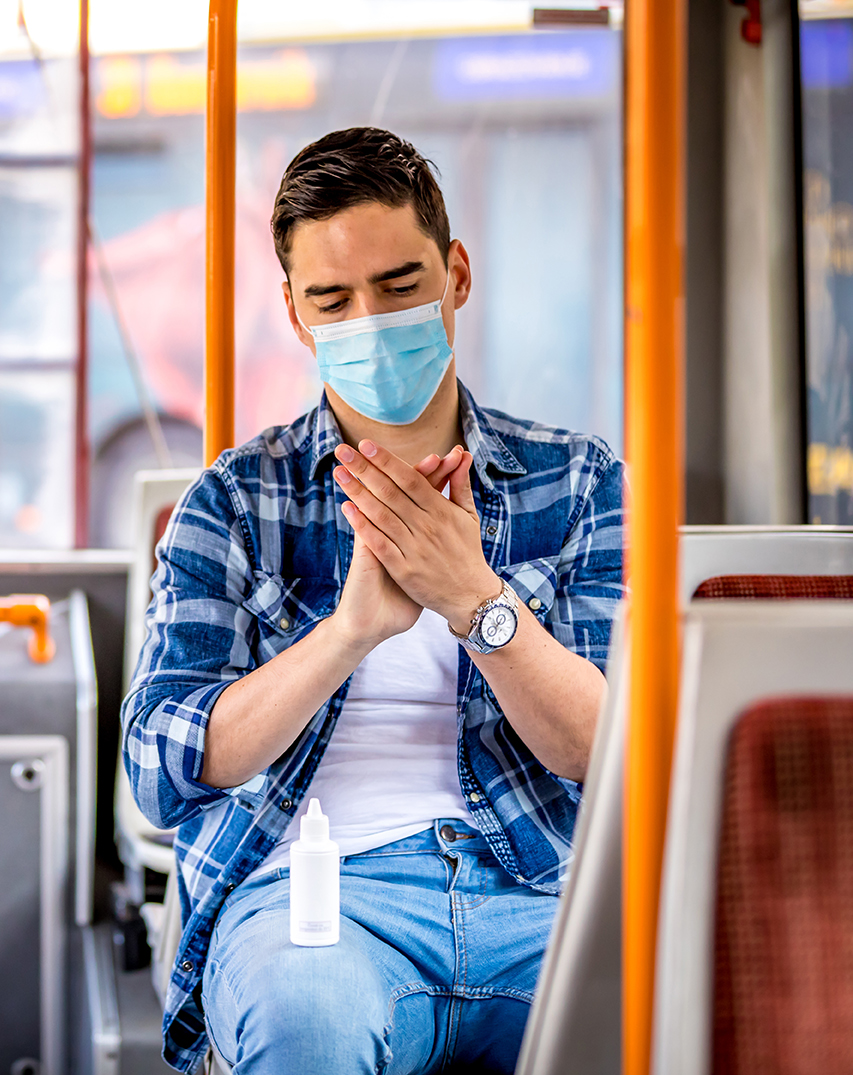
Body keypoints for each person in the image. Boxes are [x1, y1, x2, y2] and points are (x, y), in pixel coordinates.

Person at [120, 127, 625, 1075]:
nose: (370, 321)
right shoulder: (234, 504)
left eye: (399, 288)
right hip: (315, 901)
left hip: (540, 888)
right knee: (306, 1036)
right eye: (332, 300)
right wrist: (348, 632)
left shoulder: (582, 484)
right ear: (295, 313)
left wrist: (475, 600)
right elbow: (160, 769)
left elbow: (611, 747)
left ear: (455, 275)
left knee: (669, 1022)